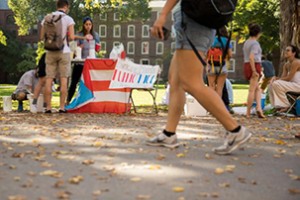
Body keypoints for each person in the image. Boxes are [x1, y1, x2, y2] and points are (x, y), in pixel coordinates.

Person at [147, 0, 252, 155]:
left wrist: (163, 14)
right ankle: (169, 134)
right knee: (175, 80)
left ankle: (235, 130)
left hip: (193, 25)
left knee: (191, 83)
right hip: (193, 24)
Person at [41, 0, 75, 113]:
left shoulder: (47, 18)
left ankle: (48, 108)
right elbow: (72, 37)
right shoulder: (68, 19)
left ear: (57, 6)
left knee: (49, 79)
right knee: (64, 79)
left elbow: (41, 37)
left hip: (49, 51)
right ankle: (61, 107)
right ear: (66, 7)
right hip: (63, 51)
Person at [67, 16, 100, 104]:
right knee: (74, 83)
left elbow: (98, 49)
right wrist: (78, 47)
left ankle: (92, 102)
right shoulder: (79, 35)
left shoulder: (95, 35)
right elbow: (72, 48)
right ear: (83, 25)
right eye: (86, 24)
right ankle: (67, 101)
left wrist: (96, 45)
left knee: (90, 84)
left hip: (90, 64)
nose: (88, 26)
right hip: (79, 63)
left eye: (90, 24)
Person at [243, 23, 265, 118]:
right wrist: (254, 70)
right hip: (254, 65)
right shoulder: (255, 43)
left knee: (257, 89)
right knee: (252, 90)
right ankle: (248, 112)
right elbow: (252, 57)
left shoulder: (247, 42)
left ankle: (259, 108)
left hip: (247, 64)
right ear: (258, 33)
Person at [268, 45, 300, 113]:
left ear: (293, 53)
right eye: (285, 50)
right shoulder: (286, 65)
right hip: (292, 85)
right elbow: (283, 78)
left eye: (288, 50)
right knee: (271, 84)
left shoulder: (296, 62)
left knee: (276, 83)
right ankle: (277, 106)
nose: (285, 52)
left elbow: (288, 78)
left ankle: (285, 105)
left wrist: (277, 80)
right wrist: (275, 78)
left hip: (298, 86)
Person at [206, 26, 233, 98]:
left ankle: (211, 107)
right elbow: (230, 55)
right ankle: (217, 107)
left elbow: (206, 53)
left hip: (211, 65)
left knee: (211, 87)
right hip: (222, 65)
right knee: (219, 89)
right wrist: (226, 59)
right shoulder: (226, 40)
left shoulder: (210, 39)